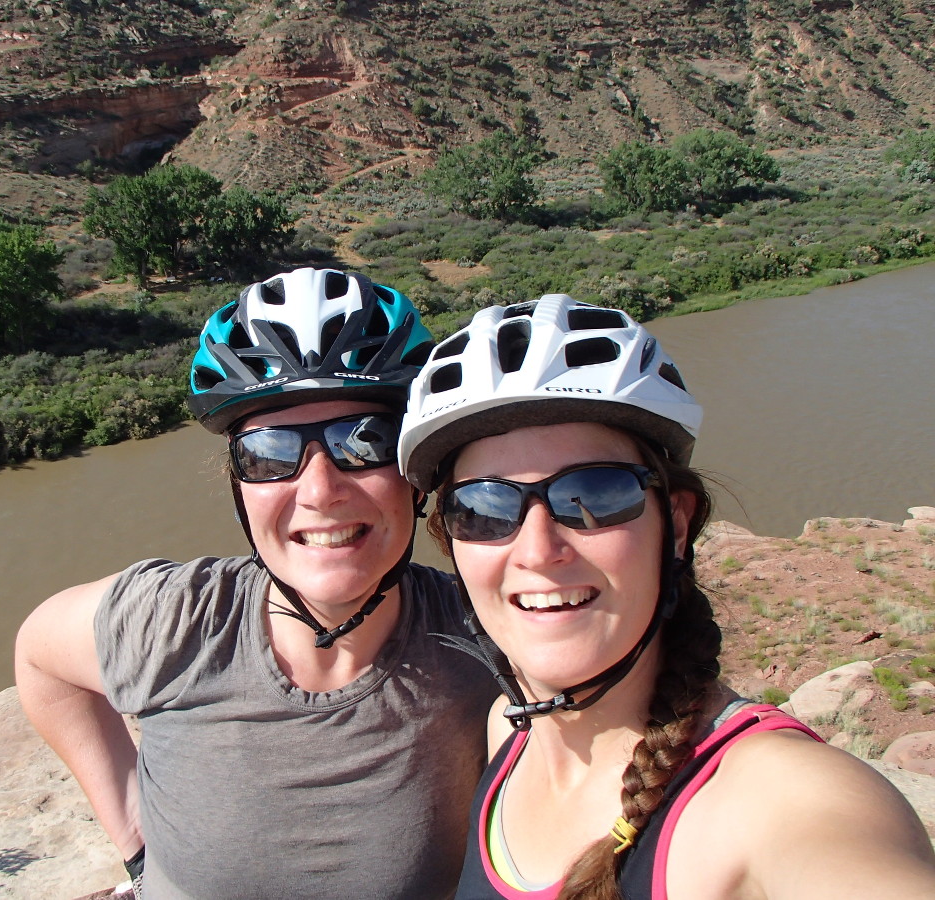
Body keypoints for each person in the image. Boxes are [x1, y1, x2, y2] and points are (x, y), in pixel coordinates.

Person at [396, 295, 935, 899]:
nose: (538, 550)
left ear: (675, 526)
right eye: (485, 507)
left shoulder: (777, 802)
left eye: (594, 493)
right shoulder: (508, 735)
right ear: (451, 543)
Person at [14, 267, 498, 899]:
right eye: (270, 452)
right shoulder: (175, 620)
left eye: (364, 442)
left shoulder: (486, 641)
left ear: (414, 472)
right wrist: (136, 841)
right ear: (238, 486)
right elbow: (39, 657)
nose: (321, 490)